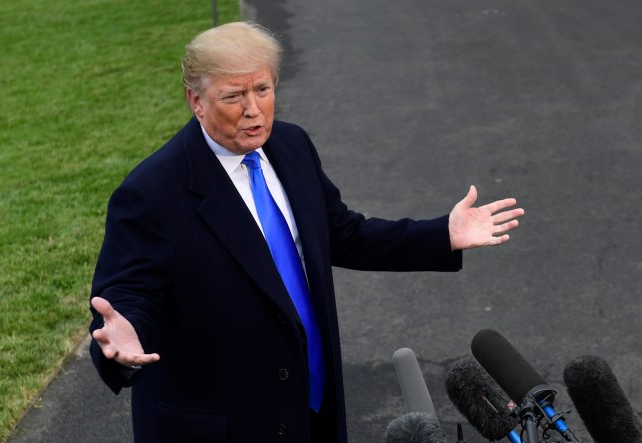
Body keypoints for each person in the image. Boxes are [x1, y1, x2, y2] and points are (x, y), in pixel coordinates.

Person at [89, 21, 524, 442]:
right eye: (233, 96)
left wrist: (441, 235)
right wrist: (124, 338)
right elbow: (128, 296)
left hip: (311, 410)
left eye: (263, 90)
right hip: (227, 425)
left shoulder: (291, 145)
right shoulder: (151, 193)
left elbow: (342, 233)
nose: (253, 109)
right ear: (196, 101)